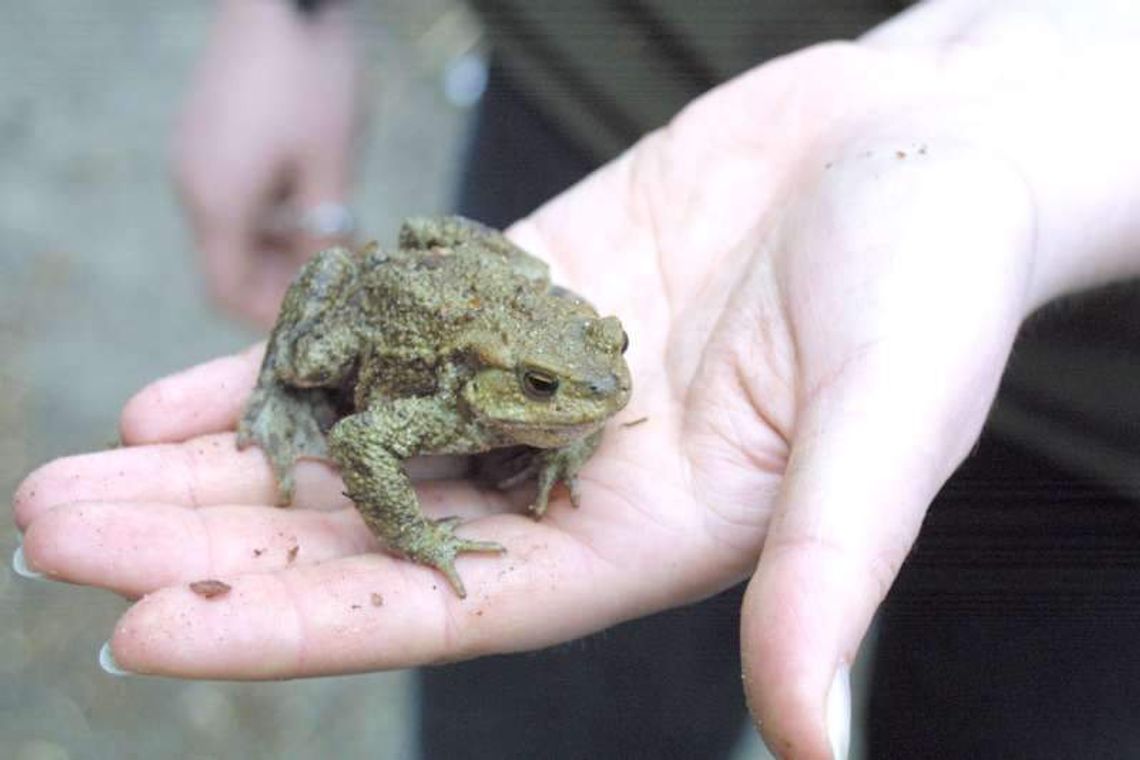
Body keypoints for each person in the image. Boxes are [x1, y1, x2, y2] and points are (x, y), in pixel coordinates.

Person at [13, 1, 1140, 757]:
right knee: (540, 714)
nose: (602, 393)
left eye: (595, 369)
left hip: (1104, 427)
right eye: (552, 392)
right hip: (586, 71)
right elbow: (361, 441)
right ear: (496, 384)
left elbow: (582, 375)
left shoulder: (553, 373)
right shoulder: (446, 392)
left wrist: (559, 425)